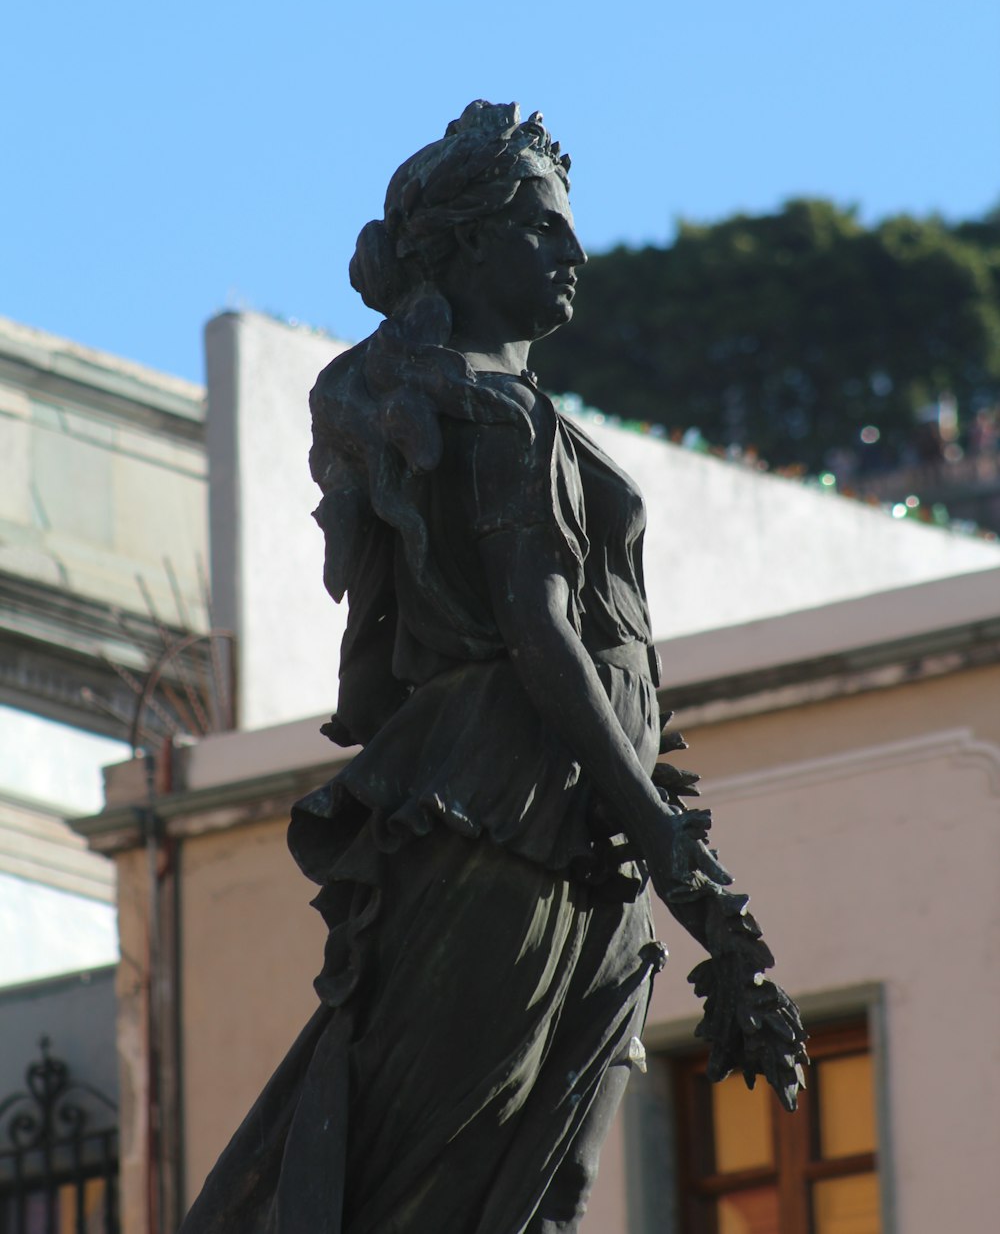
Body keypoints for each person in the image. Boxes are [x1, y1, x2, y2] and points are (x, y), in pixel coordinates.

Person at [179, 101, 806, 1234]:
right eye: (541, 229)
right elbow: (541, 633)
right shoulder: (483, 411)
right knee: (450, 1168)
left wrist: (651, 829)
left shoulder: (497, 406)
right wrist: (674, 854)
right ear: (465, 245)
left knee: (544, 1180)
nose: (572, 253)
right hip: (506, 800)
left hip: (577, 818)